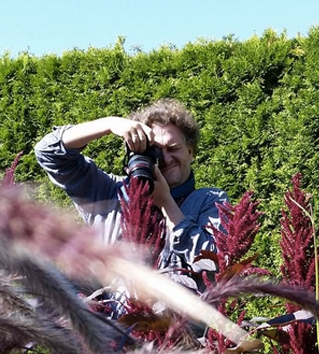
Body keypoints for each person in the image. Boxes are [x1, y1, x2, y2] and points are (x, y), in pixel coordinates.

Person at [35, 98, 229, 281]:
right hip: (112, 316)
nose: (166, 159)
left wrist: (166, 203)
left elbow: (215, 264)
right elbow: (48, 153)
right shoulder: (110, 193)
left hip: (180, 316)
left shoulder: (210, 200)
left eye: (173, 148)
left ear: (190, 152)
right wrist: (109, 124)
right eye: (155, 150)